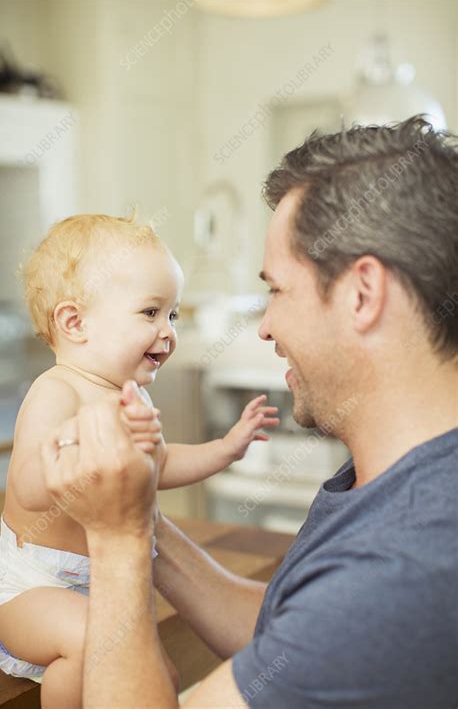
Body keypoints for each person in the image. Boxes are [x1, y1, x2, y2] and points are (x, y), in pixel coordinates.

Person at [43, 115, 458, 708]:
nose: (265, 326)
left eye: (277, 290)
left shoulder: (401, 571)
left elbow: (344, 621)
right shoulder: (402, 478)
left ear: (363, 295)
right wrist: (139, 516)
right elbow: (298, 633)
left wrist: (119, 542)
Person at [0, 213, 279, 708]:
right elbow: (30, 488)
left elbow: (159, 468)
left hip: (99, 589)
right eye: (150, 313)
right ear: (74, 323)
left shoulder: (132, 400)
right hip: (32, 591)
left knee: (156, 669)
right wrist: (79, 445)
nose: (167, 332)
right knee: (93, 651)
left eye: (173, 314)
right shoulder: (56, 392)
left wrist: (225, 448)